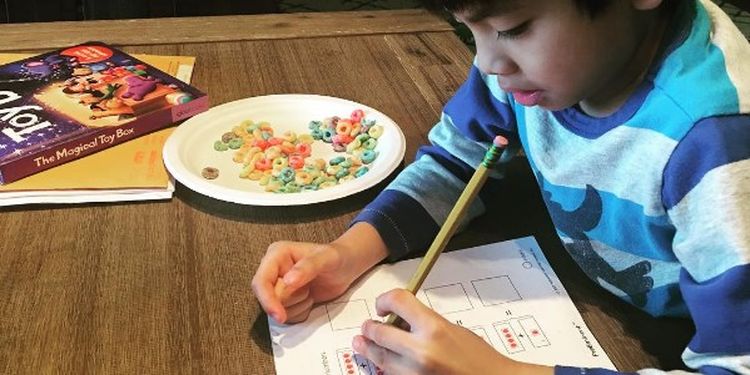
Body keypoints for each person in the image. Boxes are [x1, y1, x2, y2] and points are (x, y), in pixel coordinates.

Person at [252, 0, 750, 373]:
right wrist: (349, 253)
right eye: (470, 29)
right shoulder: (530, 70)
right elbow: (456, 163)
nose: (489, 62)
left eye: (513, 28)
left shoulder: (717, 142)